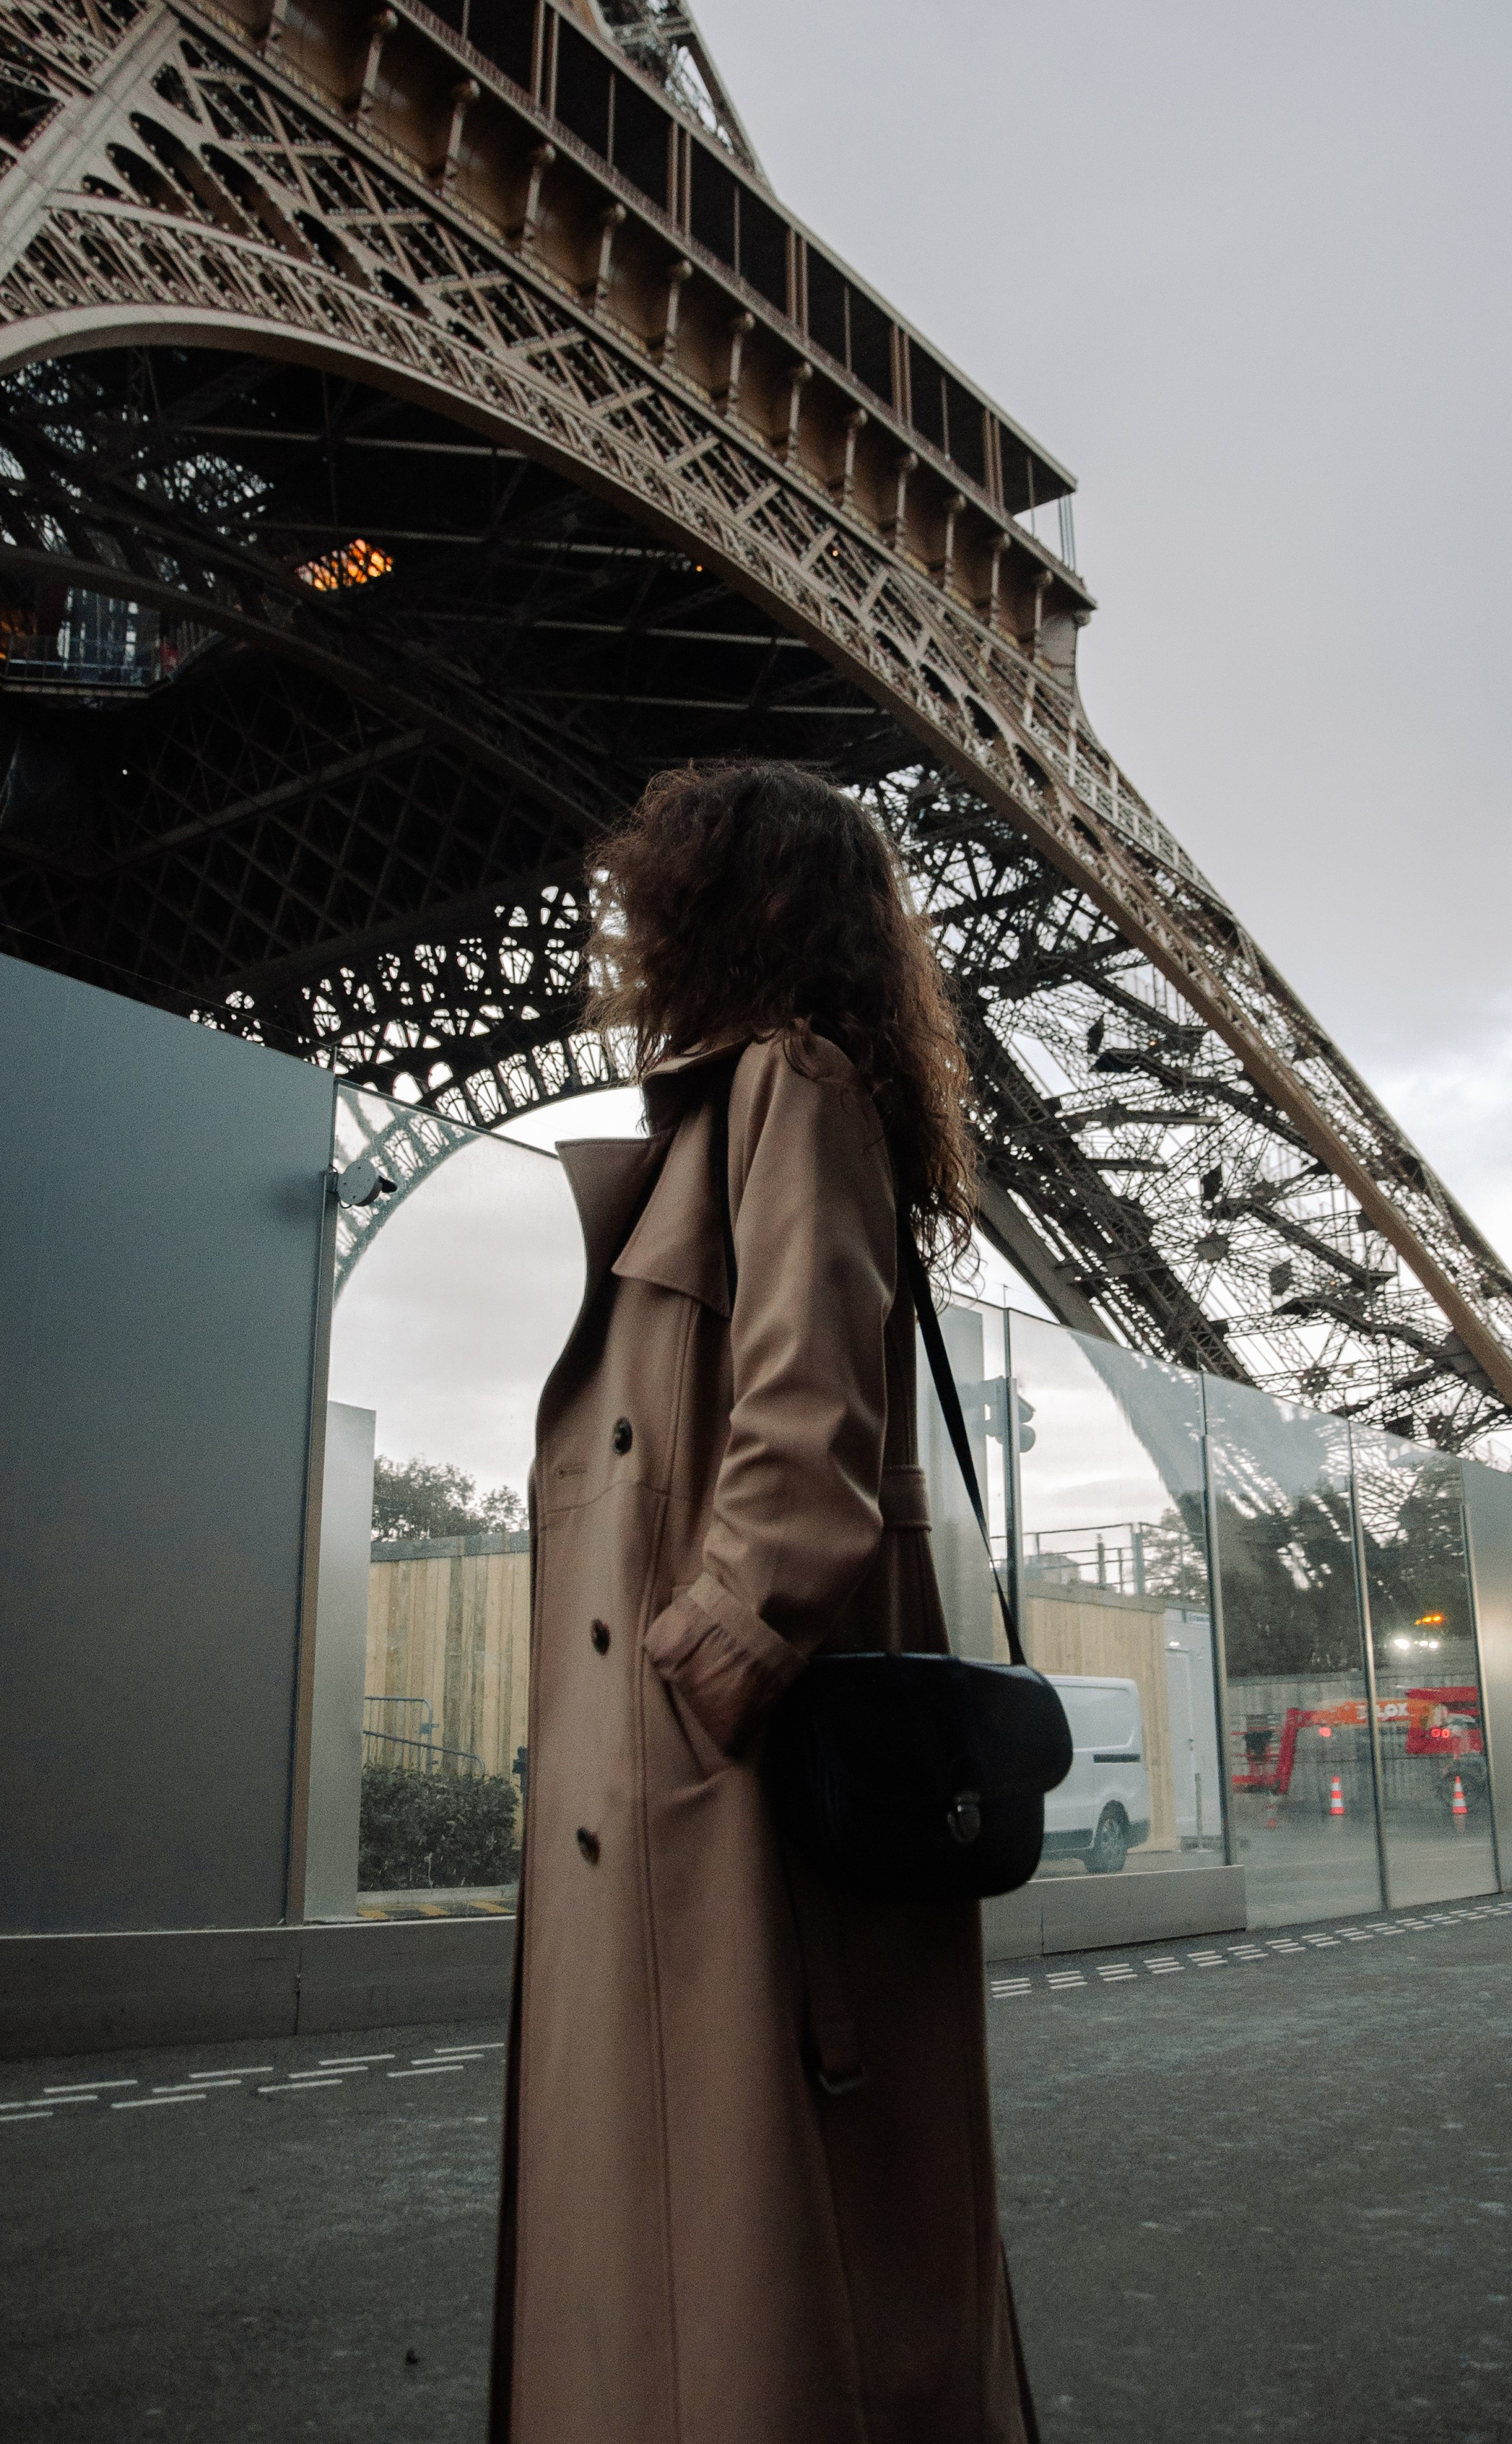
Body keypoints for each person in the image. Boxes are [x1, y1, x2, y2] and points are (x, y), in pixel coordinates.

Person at [489, 762, 1038, 2444]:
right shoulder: (721, 1107)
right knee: (704, 2226)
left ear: (727, 901)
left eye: (661, 890)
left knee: (743, 2240)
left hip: (721, 1781)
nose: (632, 925)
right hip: (670, 1775)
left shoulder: (788, 1086)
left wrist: (697, 1668)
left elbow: (807, 1432)